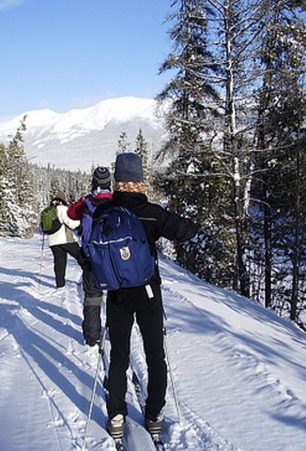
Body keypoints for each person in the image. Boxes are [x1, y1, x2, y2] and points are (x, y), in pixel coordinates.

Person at [97, 153, 199, 440]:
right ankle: (154, 415)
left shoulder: (104, 212)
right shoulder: (151, 212)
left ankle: (116, 416)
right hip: (148, 292)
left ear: (117, 180)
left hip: (117, 293)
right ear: (139, 180)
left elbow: (88, 249)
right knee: (155, 354)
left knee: (118, 355)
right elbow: (186, 231)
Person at [67, 166, 113, 346]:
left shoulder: (87, 202)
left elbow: (71, 213)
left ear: (94, 182)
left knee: (93, 298)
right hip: (112, 258)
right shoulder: (115, 201)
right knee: (116, 297)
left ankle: (92, 336)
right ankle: (115, 332)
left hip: (90, 258)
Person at [47, 191, 83, 289]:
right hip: (65, 239)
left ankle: (60, 284)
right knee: (81, 257)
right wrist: (80, 221)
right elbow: (71, 223)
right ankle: (88, 278)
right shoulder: (62, 209)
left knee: (59, 262)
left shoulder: (50, 209)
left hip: (53, 241)